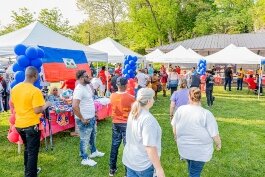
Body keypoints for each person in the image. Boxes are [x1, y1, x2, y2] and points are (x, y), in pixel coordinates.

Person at [171, 87, 221, 177]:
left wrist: (176, 137)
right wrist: (218, 144)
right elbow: (214, 133)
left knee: (192, 169)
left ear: (189, 97)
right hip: (199, 151)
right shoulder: (206, 114)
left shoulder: (180, 109)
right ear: (200, 97)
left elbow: (174, 125)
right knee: (194, 173)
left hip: (185, 148)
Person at [12, 66, 51, 177]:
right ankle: (30, 174)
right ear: (35, 75)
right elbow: (37, 110)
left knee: (27, 149)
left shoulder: (15, 88)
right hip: (31, 125)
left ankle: (28, 170)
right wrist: (46, 104)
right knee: (32, 152)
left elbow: (14, 104)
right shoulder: (35, 90)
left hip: (19, 124)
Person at [122, 88, 165, 177]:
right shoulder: (148, 119)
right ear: (149, 101)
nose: (154, 100)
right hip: (143, 164)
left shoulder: (134, 112)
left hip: (131, 160)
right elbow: (149, 146)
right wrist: (159, 168)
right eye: (153, 98)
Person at [72, 70, 105, 166]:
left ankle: (94, 151)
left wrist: (94, 112)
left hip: (91, 117)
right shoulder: (79, 89)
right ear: (81, 78)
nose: (89, 77)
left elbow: (90, 101)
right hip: (84, 120)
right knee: (84, 139)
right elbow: (74, 106)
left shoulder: (87, 86)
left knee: (92, 136)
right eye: (87, 76)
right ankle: (84, 158)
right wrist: (82, 118)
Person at [109, 76, 135, 176]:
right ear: (126, 85)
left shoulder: (112, 96)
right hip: (126, 124)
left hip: (116, 123)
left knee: (114, 146)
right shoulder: (131, 98)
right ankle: (127, 172)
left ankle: (112, 169)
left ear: (117, 85)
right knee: (127, 147)